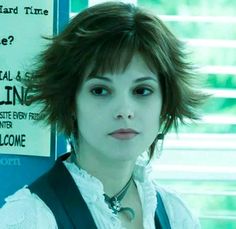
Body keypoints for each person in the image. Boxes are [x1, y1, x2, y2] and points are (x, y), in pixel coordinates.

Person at [0, 1, 206, 228]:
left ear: (165, 103)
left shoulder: (175, 214)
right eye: (100, 90)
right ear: (70, 102)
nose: (125, 111)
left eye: (141, 91)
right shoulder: (30, 218)